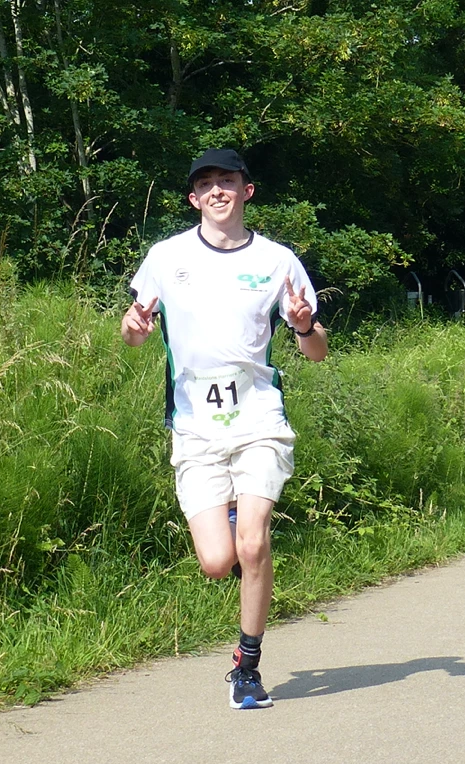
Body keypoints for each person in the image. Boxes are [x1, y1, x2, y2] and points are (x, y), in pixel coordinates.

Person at [121, 148, 328, 709]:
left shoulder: (280, 261)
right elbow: (136, 328)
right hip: (194, 426)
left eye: (227, 181)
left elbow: (315, 353)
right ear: (193, 198)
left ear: (246, 191)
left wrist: (307, 326)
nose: (217, 191)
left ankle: (248, 665)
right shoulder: (166, 256)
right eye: (206, 184)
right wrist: (134, 327)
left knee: (254, 543)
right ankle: (239, 527)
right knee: (218, 562)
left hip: (259, 416)